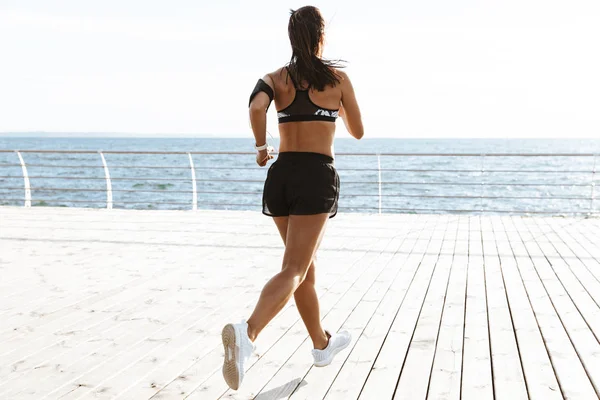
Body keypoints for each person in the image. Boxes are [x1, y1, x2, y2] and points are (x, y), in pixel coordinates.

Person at [221, 5, 364, 390]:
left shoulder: (274, 79)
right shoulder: (337, 79)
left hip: (281, 174)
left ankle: (321, 345)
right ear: (321, 37)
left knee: (304, 269)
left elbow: (255, 108)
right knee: (295, 270)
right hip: (315, 176)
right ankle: (247, 334)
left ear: (291, 37)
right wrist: (335, 109)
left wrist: (259, 146)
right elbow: (358, 131)